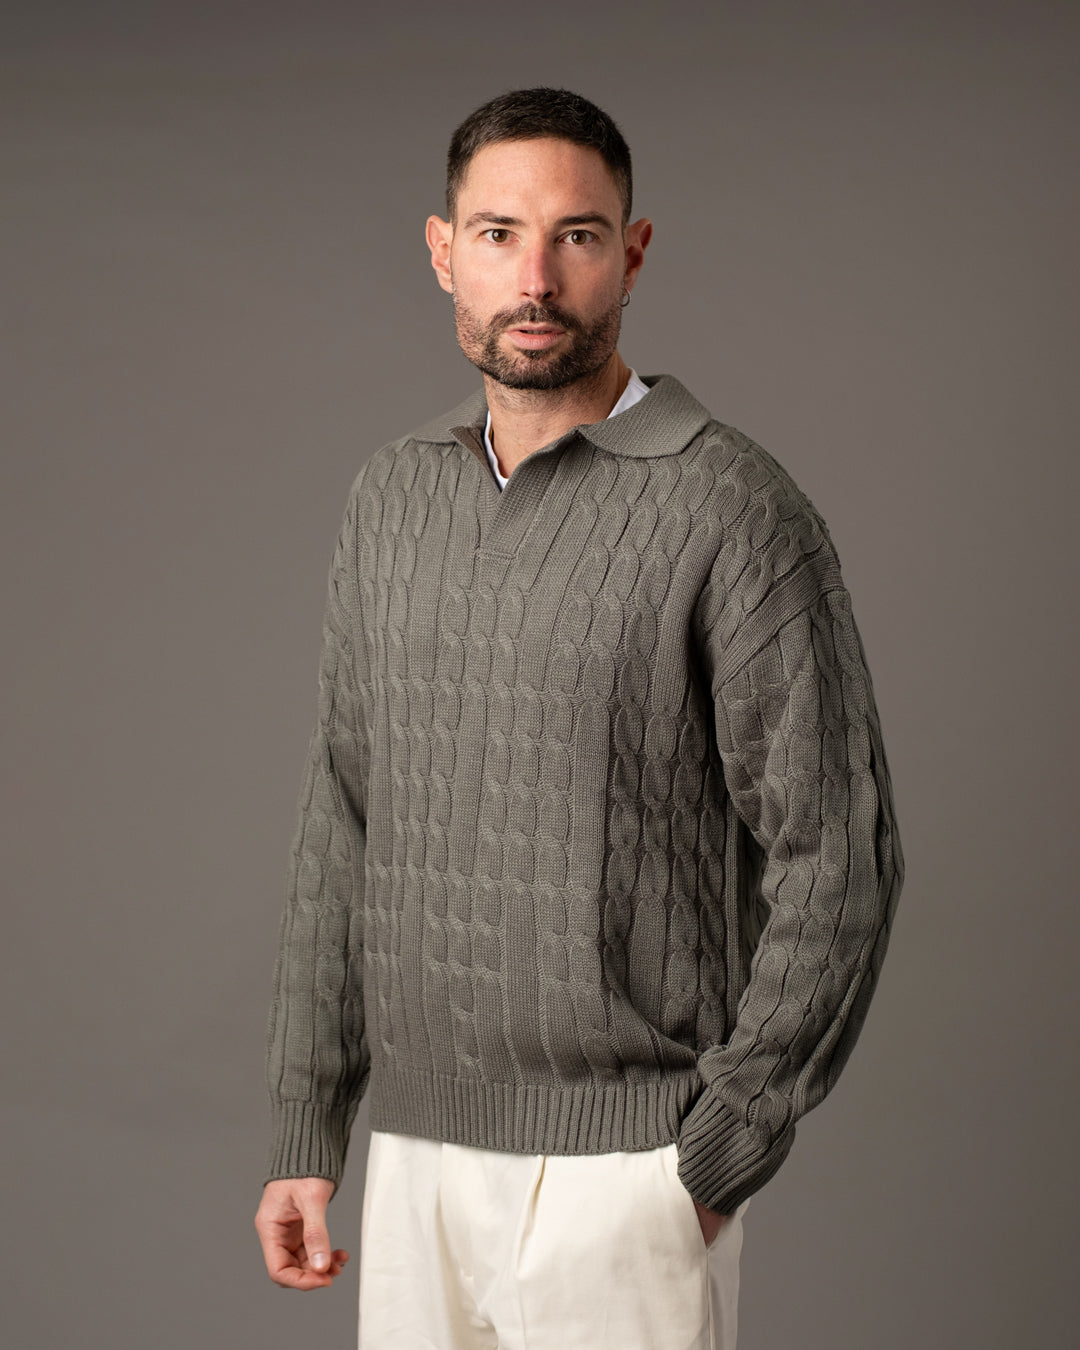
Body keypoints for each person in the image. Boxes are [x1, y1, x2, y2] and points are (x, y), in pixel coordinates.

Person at [254, 87, 903, 1349]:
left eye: (578, 236)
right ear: (443, 250)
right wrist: (306, 1130)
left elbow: (840, 849)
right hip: (415, 1163)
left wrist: (719, 1148)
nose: (536, 278)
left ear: (634, 253)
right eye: (499, 235)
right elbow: (344, 822)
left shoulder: (733, 507)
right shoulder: (391, 498)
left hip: (631, 1171)